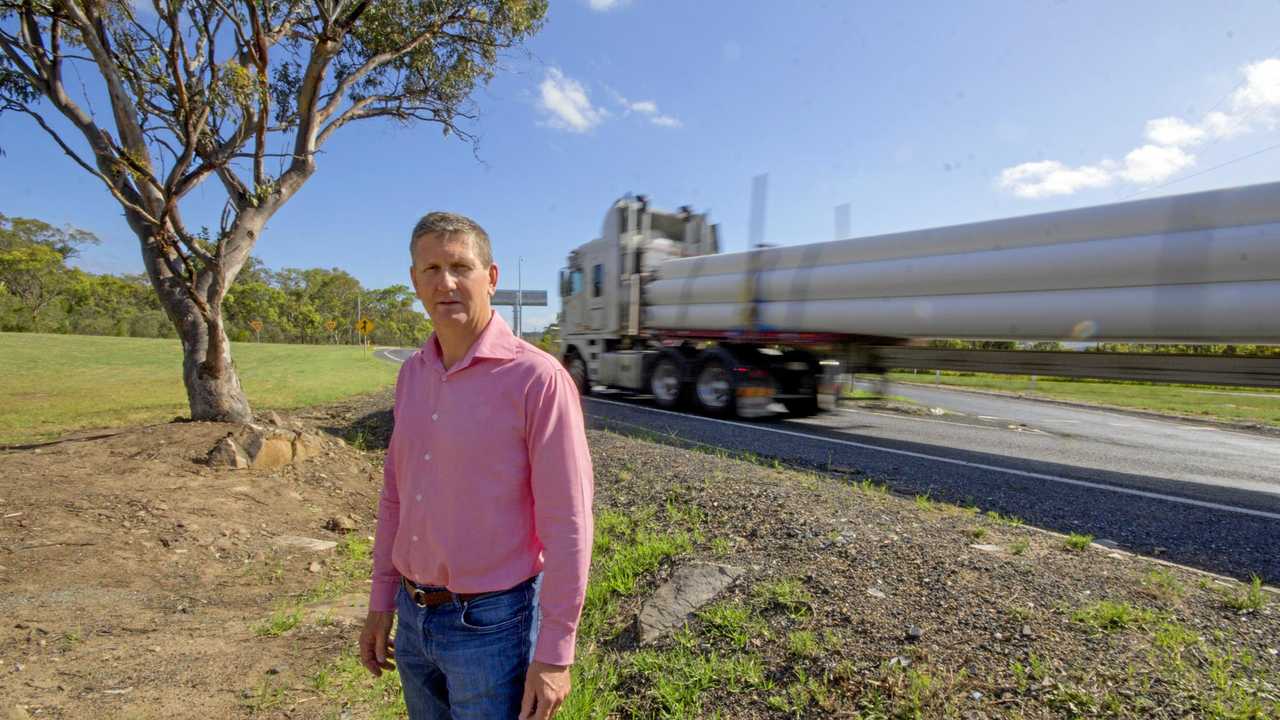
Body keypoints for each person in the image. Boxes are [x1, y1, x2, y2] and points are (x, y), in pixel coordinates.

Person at [359, 212, 594, 719]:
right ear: (414, 281)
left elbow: (568, 524)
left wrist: (555, 655)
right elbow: (396, 495)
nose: (445, 282)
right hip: (412, 614)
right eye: (431, 269)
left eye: (460, 266)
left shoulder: (538, 380)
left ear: (491, 277)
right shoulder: (412, 376)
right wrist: (381, 602)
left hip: (492, 626)